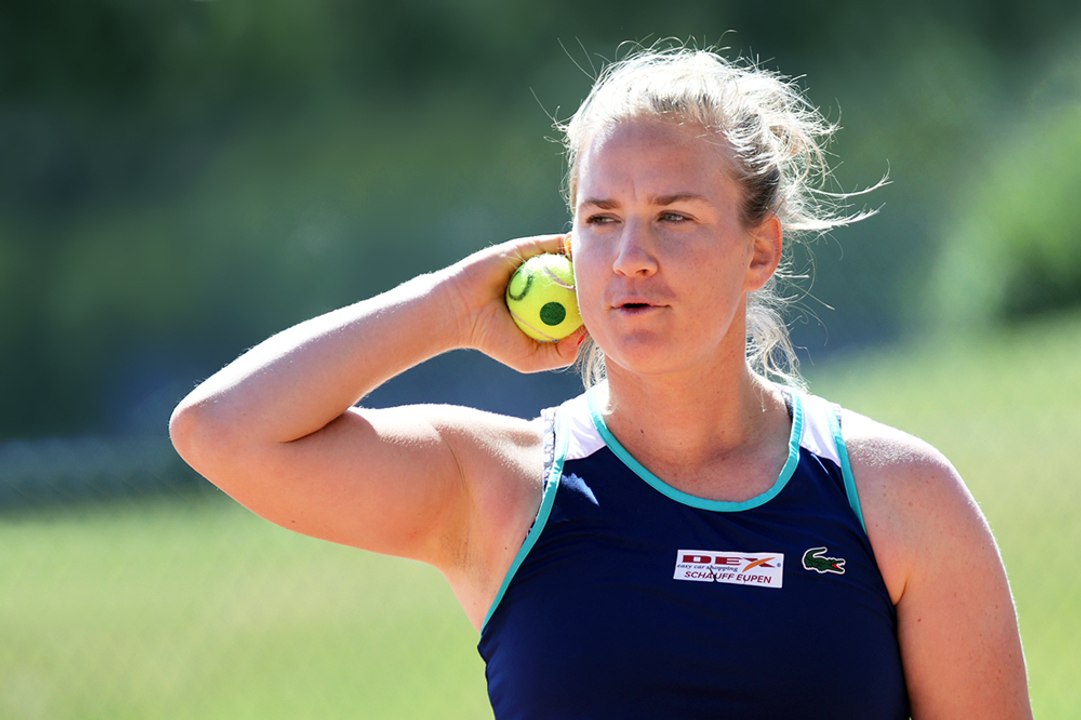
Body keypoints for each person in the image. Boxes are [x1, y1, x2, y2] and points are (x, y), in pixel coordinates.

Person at [170, 44, 1032, 719]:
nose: (630, 258)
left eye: (674, 217)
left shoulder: (896, 495)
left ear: (759, 249)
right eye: (600, 219)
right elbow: (219, 431)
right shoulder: (502, 486)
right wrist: (448, 307)